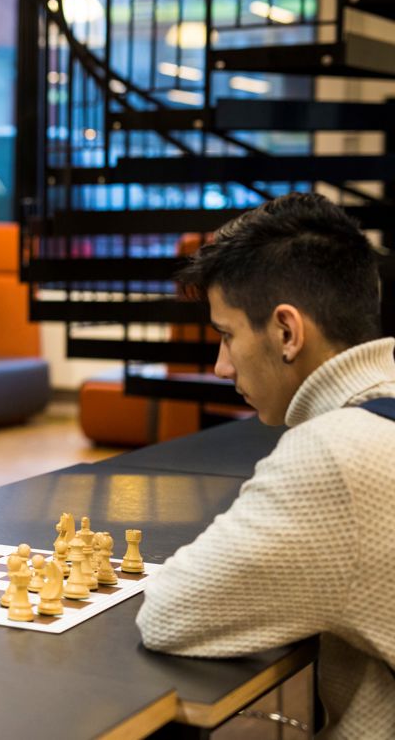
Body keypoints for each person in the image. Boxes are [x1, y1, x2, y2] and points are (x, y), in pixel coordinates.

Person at [136, 192, 395, 738]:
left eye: (227, 335)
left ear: (286, 332)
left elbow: (170, 613)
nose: (220, 365)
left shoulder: (335, 452)